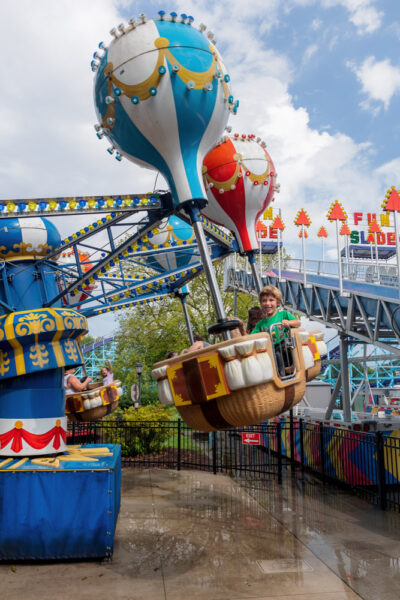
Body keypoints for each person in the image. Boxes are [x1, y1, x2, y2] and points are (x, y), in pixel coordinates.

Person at [251, 285, 300, 378]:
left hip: (284, 348)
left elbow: (298, 323)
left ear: (277, 302)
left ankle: (281, 375)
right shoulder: (261, 324)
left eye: (271, 300)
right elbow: (251, 336)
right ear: (261, 303)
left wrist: (289, 322)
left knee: (276, 355)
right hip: (270, 350)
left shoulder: (283, 314)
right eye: (264, 301)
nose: (267, 303)